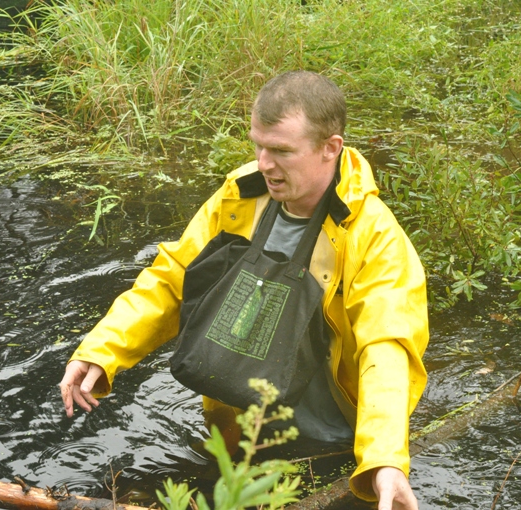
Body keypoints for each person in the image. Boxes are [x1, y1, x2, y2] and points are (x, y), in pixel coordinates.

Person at [59, 71, 429, 510]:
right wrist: (101, 351)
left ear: (330, 148)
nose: (264, 164)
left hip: (332, 443)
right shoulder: (240, 197)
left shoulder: (374, 235)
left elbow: (386, 346)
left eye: (282, 151)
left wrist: (383, 460)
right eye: (258, 145)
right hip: (240, 428)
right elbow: (174, 279)